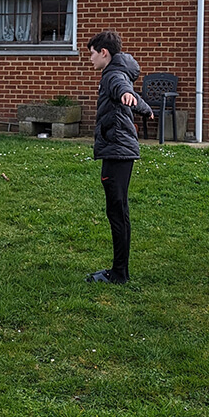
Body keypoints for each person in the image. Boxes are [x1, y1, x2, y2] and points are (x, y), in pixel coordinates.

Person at [84, 30, 153, 284]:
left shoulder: (113, 75)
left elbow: (122, 89)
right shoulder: (119, 71)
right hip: (119, 149)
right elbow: (129, 94)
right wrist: (144, 109)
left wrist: (127, 95)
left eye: (91, 54)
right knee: (118, 210)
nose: (89, 59)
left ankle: (119, 273)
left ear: (104, 53)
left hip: (117, 151)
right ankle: (119, 270)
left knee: (117, 211)